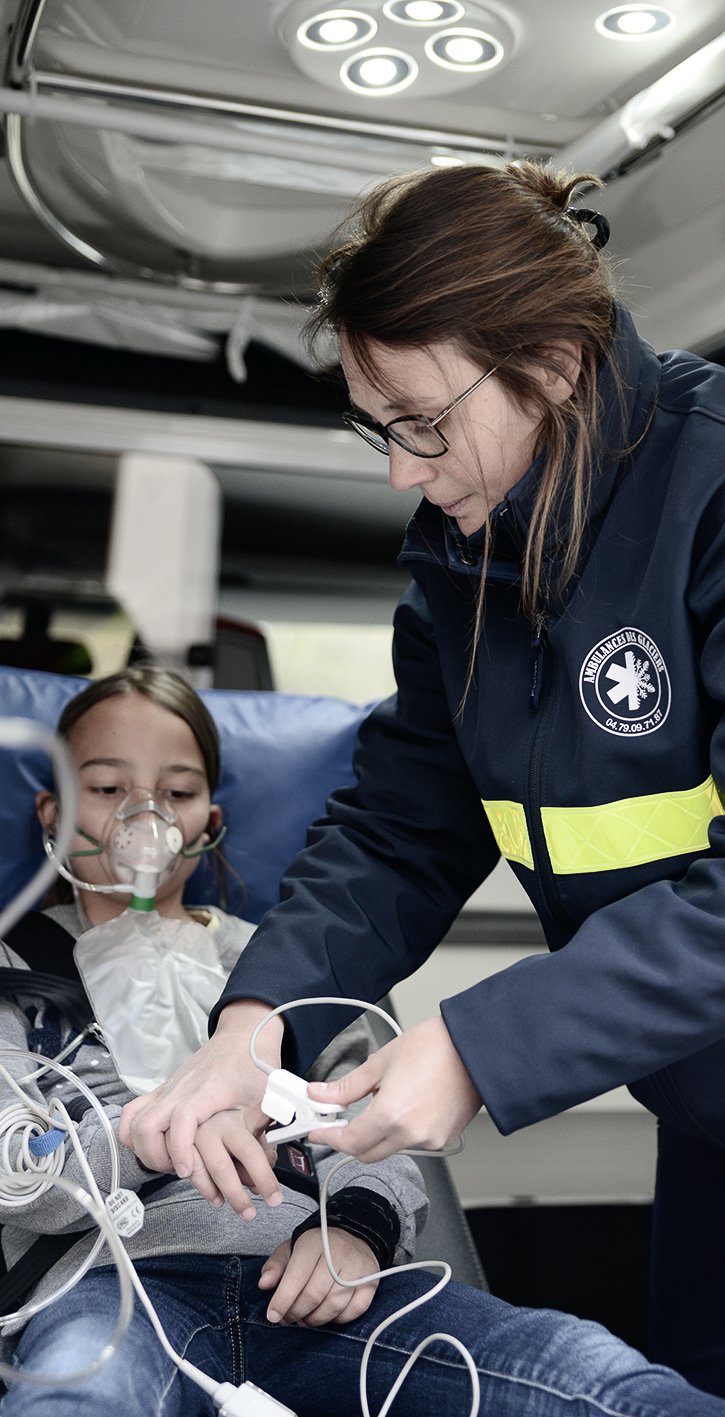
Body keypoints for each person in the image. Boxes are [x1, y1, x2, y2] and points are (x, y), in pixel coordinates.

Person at [120, 161, 725, 1397]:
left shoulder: (710, 493)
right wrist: (256, 1022)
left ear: (551, 364)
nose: (399, 470)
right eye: (373, 425)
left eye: (422, 422)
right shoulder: (464, 567)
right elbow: (399, 824)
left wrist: (472, 1048)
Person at [4, 673, 725, 1416]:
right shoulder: (13, 973)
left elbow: (366, 1133)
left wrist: (354, 1231)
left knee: (599, 1381)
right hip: (112, 1294)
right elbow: (7, 1165)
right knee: (80, 1398)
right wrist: (142, 1136)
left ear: (210, 819)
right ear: (52, 812)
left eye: (177, 793)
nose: (143, 815)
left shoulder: (281, 971)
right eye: (106, 787)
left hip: (311, 1288)